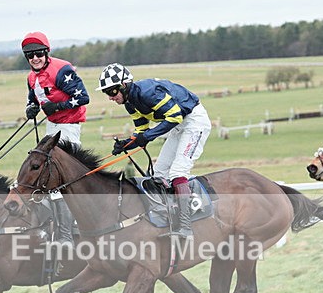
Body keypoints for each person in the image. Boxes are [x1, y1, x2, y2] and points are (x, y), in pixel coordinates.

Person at [97, 63, 211, 238]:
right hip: (179, 126)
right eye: (107, 93)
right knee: (159, 173)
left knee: (178, 171)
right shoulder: (130, 104)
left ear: (124, 85)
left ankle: (186, 226)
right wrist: (126, 144)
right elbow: (141, 132)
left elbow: (175, 116)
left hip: (194, 122)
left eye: (112, 91)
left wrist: (148, 136)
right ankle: (170, 217)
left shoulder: (148, 92)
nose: (110, 97)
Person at [22, 31, 90, 246]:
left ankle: (67, 235)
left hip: (68, 127)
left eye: (39, 53)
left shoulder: (62, 70)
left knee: (59, 181)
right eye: (30, 55)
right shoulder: (31, 77)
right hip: (52, 126)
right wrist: (31, 109)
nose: (35, 58)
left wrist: (59, 106)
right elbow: (33, 99)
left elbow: (83, 97)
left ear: (46, 52)